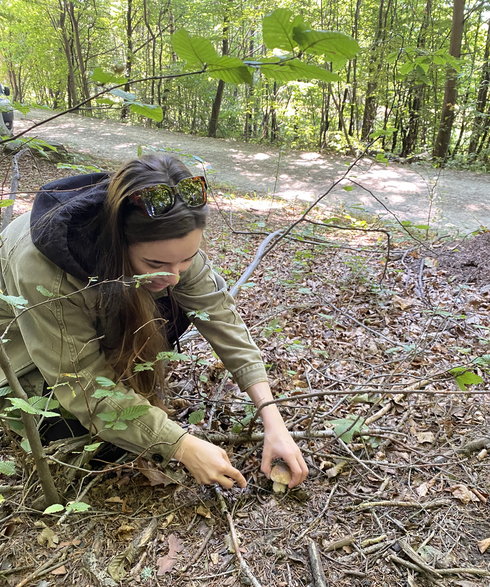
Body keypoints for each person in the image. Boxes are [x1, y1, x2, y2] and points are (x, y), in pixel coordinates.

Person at [0, 153, 308, 489]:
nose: (174, 276)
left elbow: (220, 314)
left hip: (94, 312)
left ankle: (129, 384)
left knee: (174, 300)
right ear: (119, 241)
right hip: (22, 357)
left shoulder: (166, 243)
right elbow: (83, 387)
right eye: (156, 263)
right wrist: (180, 446)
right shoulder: (46, 271)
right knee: (94, 444)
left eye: (187, 259)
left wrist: (272, 418)